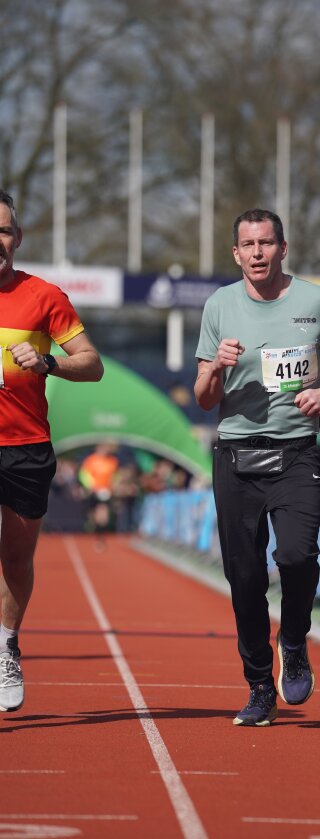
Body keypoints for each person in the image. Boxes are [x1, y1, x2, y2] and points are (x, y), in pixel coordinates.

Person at [194, 208, 320, 726]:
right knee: (244, 577)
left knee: (296, 556)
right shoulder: (219, 305)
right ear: (236, 254)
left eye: (266, 243)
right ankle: (259, 687)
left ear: (283, 248)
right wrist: (217, 367)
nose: (257, 253)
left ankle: (293, 638)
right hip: (237, 456)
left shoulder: (317, 301)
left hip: (296, 453)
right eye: (248, 245)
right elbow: (204, 398)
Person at [0, 190, 104, 712]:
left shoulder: (43, 296)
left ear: (17, 238)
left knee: (17, 557)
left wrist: (47, 364)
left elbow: (92, 363)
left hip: (25, 447)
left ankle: (5, 647)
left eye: (2, 230)